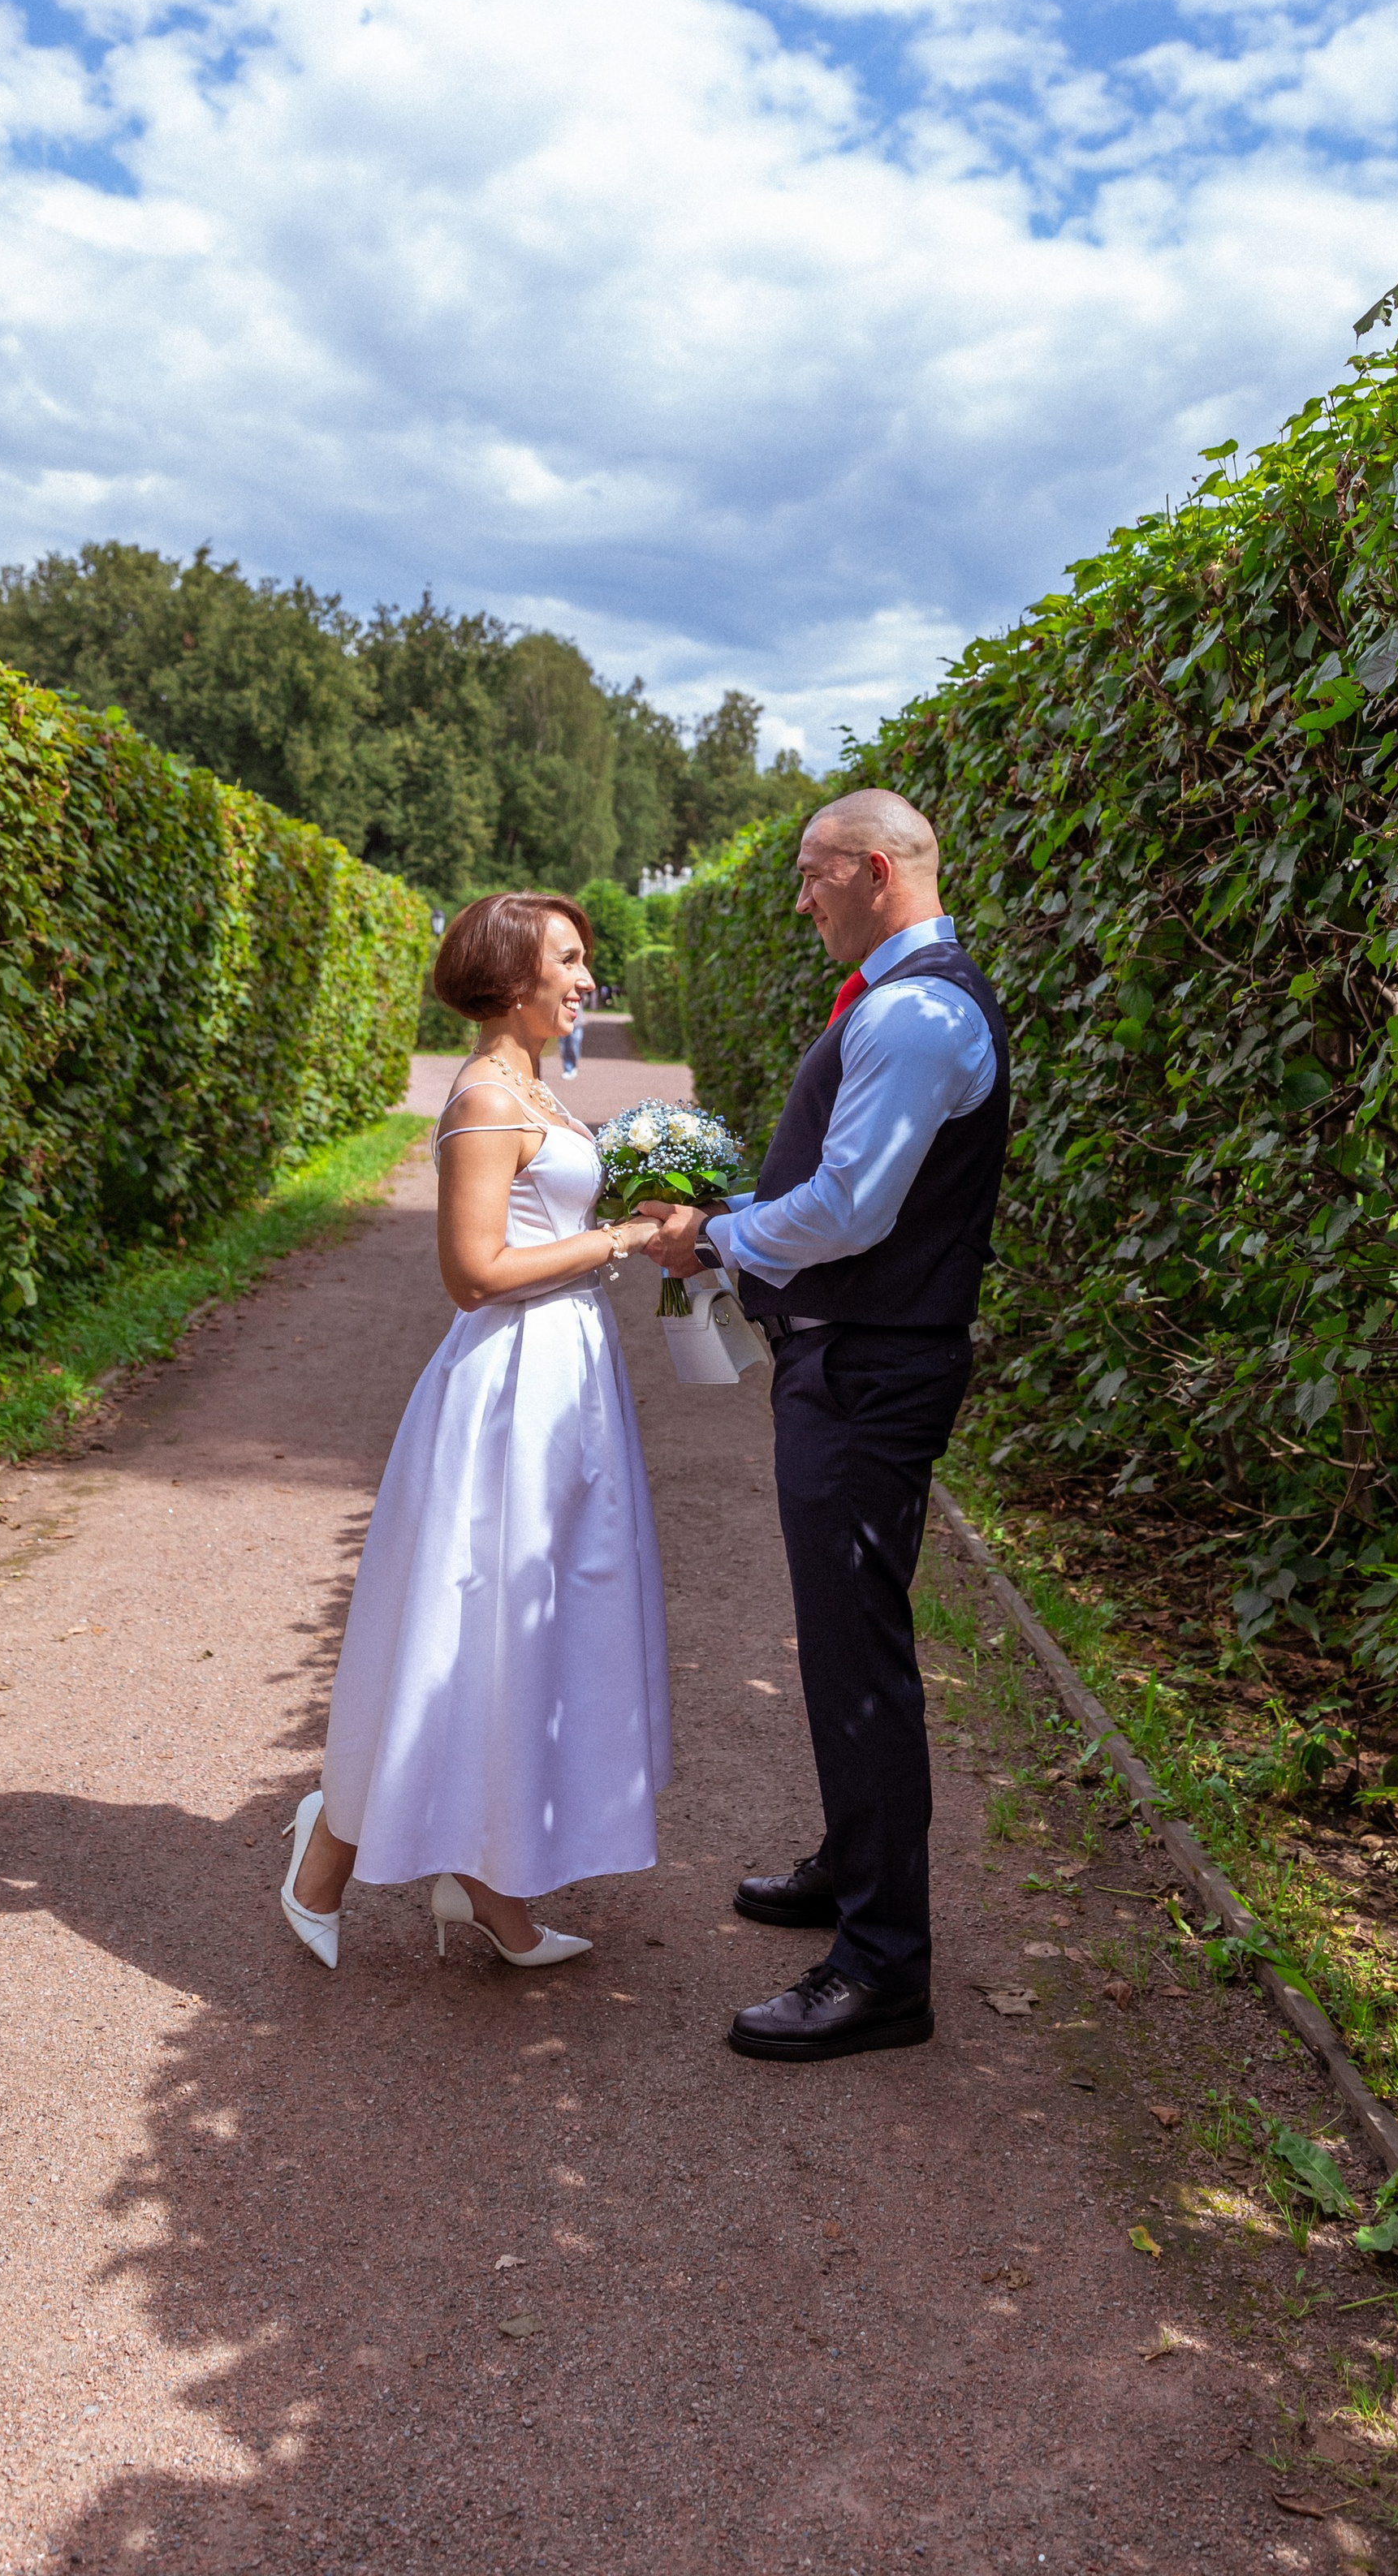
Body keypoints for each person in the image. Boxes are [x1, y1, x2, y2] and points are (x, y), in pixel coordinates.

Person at [644, 791, 1009, 2061]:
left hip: (870, 1370)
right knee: (841, 1643)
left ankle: (884, 1972)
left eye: (810, 875)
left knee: (859, 1661)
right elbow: (850, 1190)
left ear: (871, 869)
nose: (798, 898)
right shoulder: (896, 999)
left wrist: (722, 1237)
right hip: (852, 1359)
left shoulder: (916, 1012)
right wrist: (741, 1208)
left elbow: (852, 1209)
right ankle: (855, 1876)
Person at [278, 894, 671, 1974]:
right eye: (571, 960)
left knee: (527, 1633)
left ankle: (494, 1886)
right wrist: (620, 1239)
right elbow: (474, 1277)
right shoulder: (488, 1102)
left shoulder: (532, 1089)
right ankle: (330, 1856)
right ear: (509, 978)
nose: (588, 980)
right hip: (508, 1389)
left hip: (564, 1380)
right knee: (465, 1629)